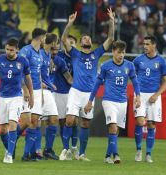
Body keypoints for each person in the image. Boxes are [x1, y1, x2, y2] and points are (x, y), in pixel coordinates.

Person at [59, 8, 115, 161]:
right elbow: (64, 40)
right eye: (84, 38)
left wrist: (112, 22)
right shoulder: (75, 53)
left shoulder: (95, 54)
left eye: (89, 38)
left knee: (85, 123)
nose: (87, 40)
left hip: (89, 94)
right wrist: (70, 23)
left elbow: (110, 39)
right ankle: (65, 150)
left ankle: (81, 153)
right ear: (81, 42)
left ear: (91, 42)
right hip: (75, 91)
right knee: (69, 120)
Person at [84, 40, 141, 164]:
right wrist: (90, 101)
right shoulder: (106, 66)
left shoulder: (129, 65)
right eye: (119, 52)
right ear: (113, 52)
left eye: (123, 52)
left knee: (116, 130)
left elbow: (135, 82)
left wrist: (138, 96)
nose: (121, 55)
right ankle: (116, 155)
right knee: (113, 127)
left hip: (123, 102)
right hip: (109, 101)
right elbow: (97, 84)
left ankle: (107, 156)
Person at [0, 38, 34, 164]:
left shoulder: (23, 61)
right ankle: (11, 149)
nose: (9, 52)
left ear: (17, 50)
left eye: (12, 50)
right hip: (2, 97)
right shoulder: (0, 59)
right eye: (7, 49)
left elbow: (28, 79)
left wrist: (31, 95)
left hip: (16, 97)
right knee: (2, 130)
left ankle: (9, 155)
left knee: (12, 124)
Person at [133, 35, 166, 163]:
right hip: (140, 94)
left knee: (151, 124)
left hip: (154, 95)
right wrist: (136, 93)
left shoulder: (161, 61)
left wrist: (157, 94)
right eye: (144, 44)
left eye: (148, 44)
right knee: (139, 121)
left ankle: (148, 154)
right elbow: (132, 76)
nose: (145, 46)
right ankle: (138, 150)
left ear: (154, 45)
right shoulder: (138, 60)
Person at [17, 28, 47, 161]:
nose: (45, 40)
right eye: (45, 37)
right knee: (26, 122)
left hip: (37, 91)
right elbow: (20, 71)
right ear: (41, 38)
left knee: (35, 122)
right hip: (27, 90)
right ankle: (11, 141)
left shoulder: (40, 53)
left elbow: (39, 76)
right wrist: (25, 89)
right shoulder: (25, 51)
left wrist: (41, 95)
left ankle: (26, 154)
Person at [51, 36, 79, 159]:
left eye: (72, 43)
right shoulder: (59, 57)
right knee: (63, 122)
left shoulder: (78, 58)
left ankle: (74, 148)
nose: (70, 45)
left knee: (75, 121)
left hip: (73, 92)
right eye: (68, 43)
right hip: (59, 92)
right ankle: (65, 148)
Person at [37, 33, 60, 160]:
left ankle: (47, 150)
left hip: (48, 90)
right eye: (56, 43)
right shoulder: (40, 54)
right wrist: (41, 84)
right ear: (53, 43)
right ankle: (37, 150)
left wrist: (50, 84)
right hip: (40, 90)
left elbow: (45, 74)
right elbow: (33, 71)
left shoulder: (48, 55)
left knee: (53, 119)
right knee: (37, 121)